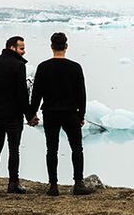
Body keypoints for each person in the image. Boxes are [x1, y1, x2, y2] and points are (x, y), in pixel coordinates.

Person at [29, 32, 93, 196]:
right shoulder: (75, 67)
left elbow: (36, 94)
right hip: (71, 113)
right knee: (77, 148)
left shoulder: (43, 67)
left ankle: (53, 186)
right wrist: (82, 115)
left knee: (52, 149)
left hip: (50, 113)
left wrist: (31, 114)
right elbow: (81, 94)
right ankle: (78, 184)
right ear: (66, 46)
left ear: (51, 46)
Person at [0, 36, 38, 194]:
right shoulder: (18, 65)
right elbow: (21, 94)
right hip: (13, 115)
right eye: (21, 48)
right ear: (12, 48)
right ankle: (13, 183)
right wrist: (29, 115)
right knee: (14, 149)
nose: (24, 52)